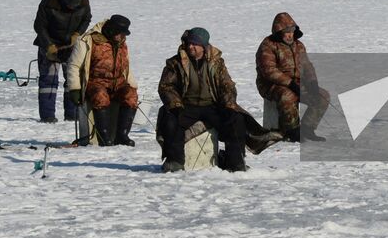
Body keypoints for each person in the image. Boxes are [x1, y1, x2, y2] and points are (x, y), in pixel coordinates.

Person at [158, 28, 278, 173]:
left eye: (195, 44)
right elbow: (166, 86)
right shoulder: (175, 63)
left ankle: (235, 162)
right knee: (170, 117)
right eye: (189, 43)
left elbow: (227, 86)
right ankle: (174, 160)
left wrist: (228, 103)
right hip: (186, 106)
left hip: (212, 106)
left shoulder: (216, 63)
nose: (191, 47)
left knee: (236, 118)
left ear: (203, 46)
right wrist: (175, 104)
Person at [255, 12, 329, 142]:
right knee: (288, 96)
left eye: (292, 31)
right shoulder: (268, 45)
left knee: (322, 96)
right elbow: (268, 70)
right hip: (271, 85)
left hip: (297, 83)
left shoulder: (298, 45)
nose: (290, 35)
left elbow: (307, 65)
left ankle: (307, 128)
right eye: (286, 32)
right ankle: (292, 130)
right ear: (279, 32)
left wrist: (312, 82)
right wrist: (290, 83)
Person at [67, 14, 138, 146]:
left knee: (131, 96)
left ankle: (122, 136)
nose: (123, 37)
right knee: (101, 96)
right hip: (95, 82)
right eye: (120, 33)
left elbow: (126, 67)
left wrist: (133, 86)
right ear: (112, 30)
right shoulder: (88, 40)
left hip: (118, 83)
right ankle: (104, 138)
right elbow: (74, 65)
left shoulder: (122, 44)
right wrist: (74, 88)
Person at [33, 0, 91, 122]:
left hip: (70, 45)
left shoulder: (84, 3)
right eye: (70, 4)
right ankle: (47, 116)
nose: (72, 7)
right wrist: (49, 45)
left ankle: (73, 114)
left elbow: (86, 19)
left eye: (75, 5)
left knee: (72, 78)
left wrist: (77, 34)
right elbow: (39, 26)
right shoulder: (48, 2)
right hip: (50, 43)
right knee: (49, 81)